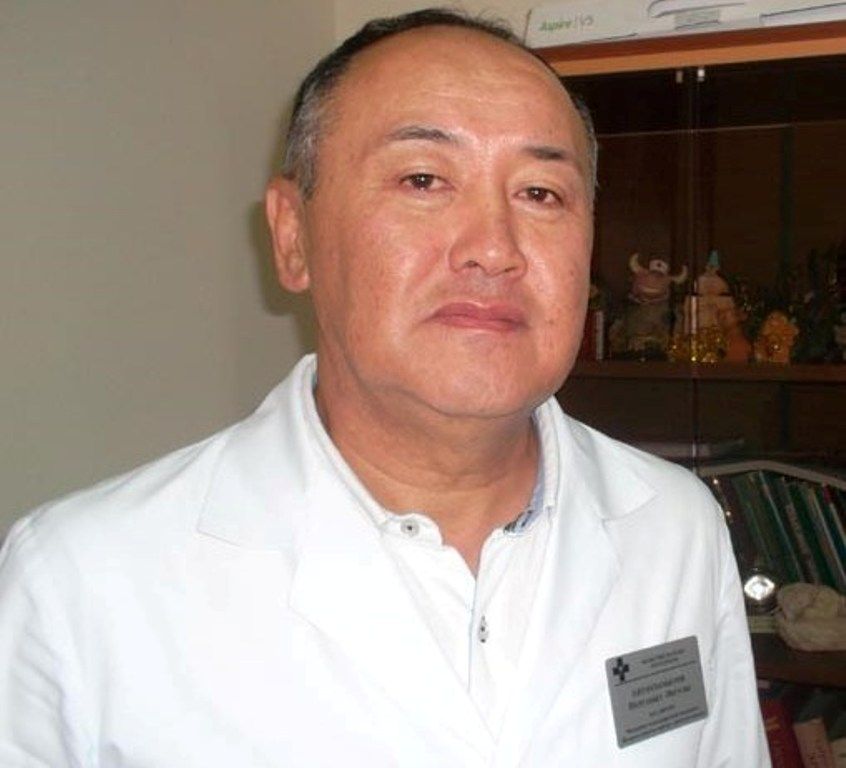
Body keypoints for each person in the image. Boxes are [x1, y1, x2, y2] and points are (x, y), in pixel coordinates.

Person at [0, 9, 768, 767]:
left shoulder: (676, 528)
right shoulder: (80, 584)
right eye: (423, 179)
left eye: (541, 193)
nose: (493, 249)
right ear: (292, 236)